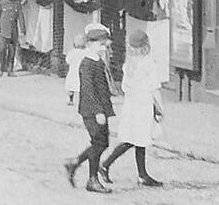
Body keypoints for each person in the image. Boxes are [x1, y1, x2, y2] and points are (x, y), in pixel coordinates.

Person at [99, 30, 164, 188]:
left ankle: (142, 174)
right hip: (143, 104)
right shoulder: (148, 62)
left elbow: (125, 86)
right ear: (146, 45)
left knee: (137, 139)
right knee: (135, 139)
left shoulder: (129, 64)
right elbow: (154, 87)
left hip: (131, 103)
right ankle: (106, 164)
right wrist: (160, 107)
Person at [64, 23, 115, 193]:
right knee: (99, 143)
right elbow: (88, 89)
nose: (104, 48)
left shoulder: (96, 60)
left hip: (99, 109)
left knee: (102, 142)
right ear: (91, 44)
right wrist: (98, 111)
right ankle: (92, 179)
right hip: (91, 110)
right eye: (101, 44)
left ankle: (75, 163)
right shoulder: (87, 63)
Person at [0, 0, 25, 77]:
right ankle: (1, 69)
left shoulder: (16, 4)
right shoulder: (1, 4)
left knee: (12, 52)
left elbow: (20, 17)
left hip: (13, 32)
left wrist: (23, 30)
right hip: (3, 32)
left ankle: (10, 70)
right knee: (2, 50)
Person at [65, 33, 87, 106]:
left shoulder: (72, 52)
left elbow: (68, 60)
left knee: (71, 86)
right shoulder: (85, 52)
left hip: (73, 71)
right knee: (82, 86)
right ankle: (83, 101)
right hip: (82, 71)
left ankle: (71, 99)